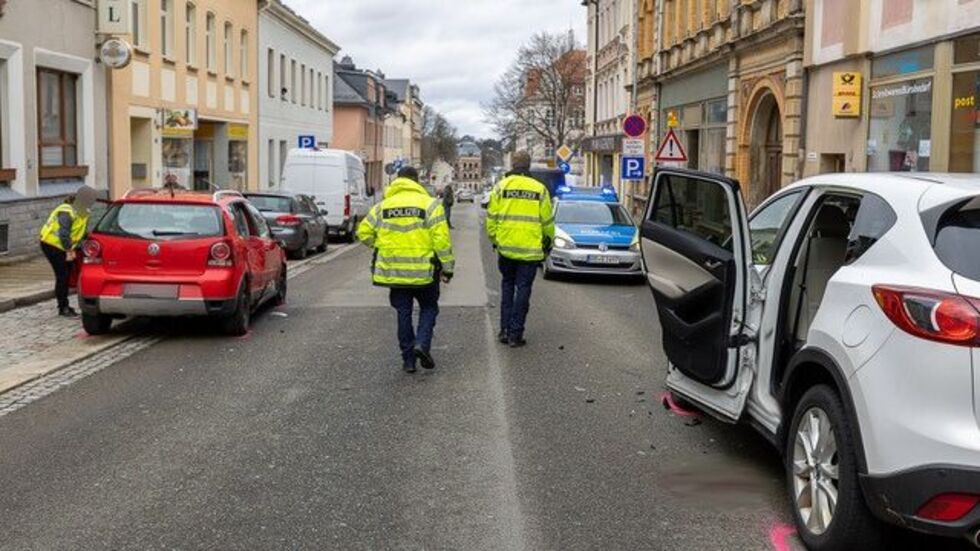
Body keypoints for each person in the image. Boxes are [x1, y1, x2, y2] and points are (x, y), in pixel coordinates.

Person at [358, 166, 455, 373]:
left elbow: (363, 232)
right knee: (429, 308)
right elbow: (442, 241)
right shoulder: (431, 205)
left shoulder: (382, 206)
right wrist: (447, 269)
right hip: (424, 272)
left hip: (395, 272)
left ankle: (408, 359)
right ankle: (422, 344)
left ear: (397, 181)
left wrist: (382, 246)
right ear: (416, 181)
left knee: (403, 312)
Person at [485, 150, 554, 347]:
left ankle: (504, 331)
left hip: (506, 249)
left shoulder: (501, 187)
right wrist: (547, 242)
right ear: (528, 165)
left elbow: (491, 219)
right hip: (530, 251)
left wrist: (496, 239)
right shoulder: (539, 189)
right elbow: (547, 222)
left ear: (513, 166)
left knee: (507, 287)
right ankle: (516, 334)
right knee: (523, 290)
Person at [39, 185, 97, 317]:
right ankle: (63, 307)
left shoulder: (82, 213)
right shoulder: (67, 211)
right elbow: (64, 234)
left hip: (64, 246)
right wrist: (69, 251)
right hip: (52, 245)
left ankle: (64, 304)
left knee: (66, 274)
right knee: (63, 276)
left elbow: (80, 233)